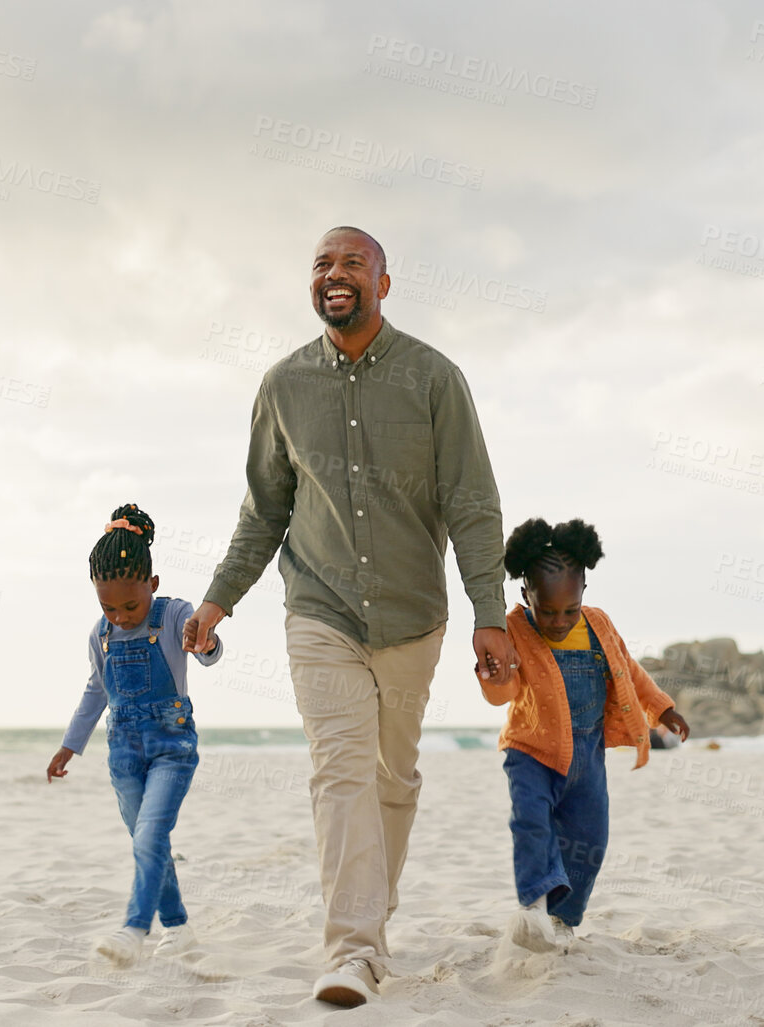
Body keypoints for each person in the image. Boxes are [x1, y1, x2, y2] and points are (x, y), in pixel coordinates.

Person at [182, 226, 518, 1008]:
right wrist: (218, 596)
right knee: (339, 771)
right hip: (320, 607)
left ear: (383, 283)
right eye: (322, 264)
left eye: (353, 263)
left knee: (390, 778)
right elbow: (264, 510)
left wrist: (488, 612)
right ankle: (353, 949)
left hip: (412, 614)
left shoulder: (435, 378)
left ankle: (373, 914)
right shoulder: (282, 384)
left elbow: (471, 502)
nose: (336, 275)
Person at [480, 517, 689, 952]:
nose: (558, 621)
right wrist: (494, 673)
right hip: (531, 751)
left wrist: (661, 707)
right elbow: (505, 694)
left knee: (590, 838)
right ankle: (534, 906)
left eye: (568, 610)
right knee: (531, 823)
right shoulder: (513, 629)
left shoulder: (598, 625)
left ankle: (563, 920)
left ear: (583, 595)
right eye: (547, 610)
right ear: (525, 596)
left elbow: (629, 672)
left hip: (587, 752)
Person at [46, 504, 224, 966]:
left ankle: (134, 928)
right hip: (122, 755)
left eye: (130, 605)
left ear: (153, 584)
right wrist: (71, 744)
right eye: (108, 606)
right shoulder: (100, 634)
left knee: (149, 837)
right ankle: (180, 928)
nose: (121, 616)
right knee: (149, 842)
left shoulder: (172, 617)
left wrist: (204, 640)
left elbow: (206, 649)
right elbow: (96, 690)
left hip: (172, 750)